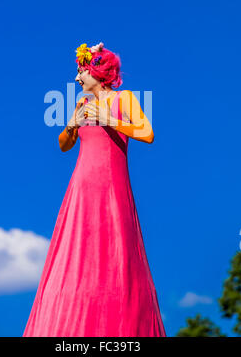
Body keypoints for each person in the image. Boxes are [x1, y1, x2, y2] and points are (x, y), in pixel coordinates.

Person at [23, 42, 166, 337]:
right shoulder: (82, 105)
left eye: (81, 72)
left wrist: (109, 120)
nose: (77, 79)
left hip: (112, 185)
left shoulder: (124, 99)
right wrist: (71, 126)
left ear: (96, 72)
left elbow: (147, 133)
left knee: (116, 252)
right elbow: (64, 146)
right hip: (81, 186)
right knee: (76, 254)